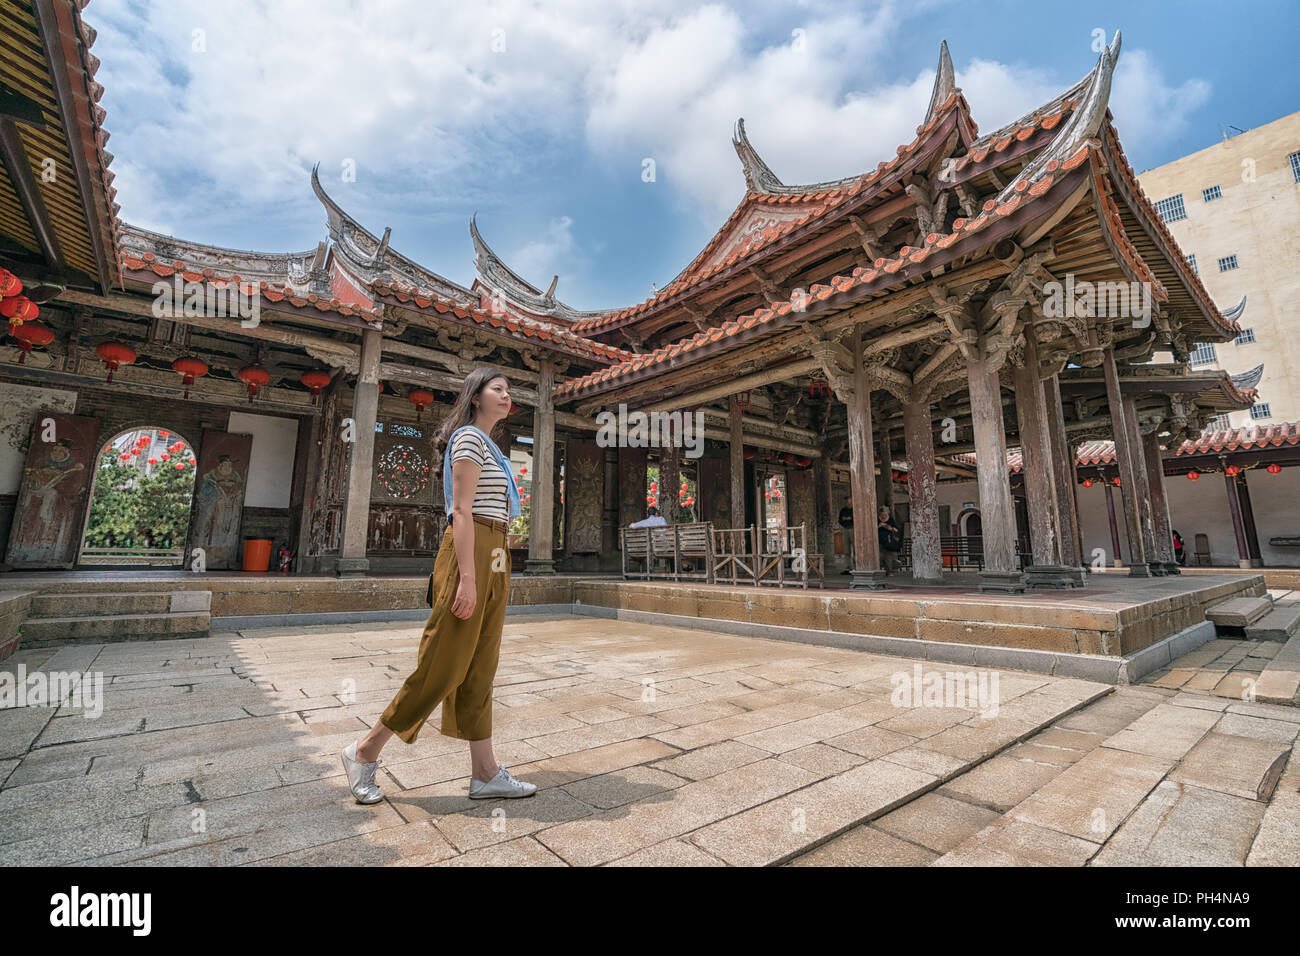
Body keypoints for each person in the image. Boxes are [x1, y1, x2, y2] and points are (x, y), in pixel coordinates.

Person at [341, 367, 537, 803]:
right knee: (443, 663)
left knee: (481, 665)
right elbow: (461, 512)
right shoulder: (468, 439)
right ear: (475, 396)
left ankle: (485, 773)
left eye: (509, 391)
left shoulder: (494, 448)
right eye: (498, 389)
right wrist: (468, 578)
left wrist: (495, 563)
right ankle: (364, 749)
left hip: (496, 551)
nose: (507, 396)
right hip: (471, 551)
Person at [878, 506, 902, 575]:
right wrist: (879, 526)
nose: (883, 516)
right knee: (880, 555)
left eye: (885, 514)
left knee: (888, 555)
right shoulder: (877, 520)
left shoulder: (891, 520)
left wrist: (887, 527)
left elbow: (896, 530)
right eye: (882, 514)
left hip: (888, 540)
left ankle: (889, 571)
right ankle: (880, 570)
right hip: (879, 540)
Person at [838, 495, 854, 573]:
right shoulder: (843, 510)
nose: (847, 502)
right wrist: (844, 520)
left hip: (853, 529)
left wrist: (850, 519)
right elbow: (840, 520)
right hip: (845, 529)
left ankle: (857, 566)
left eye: (849, 500)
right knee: (846, 549)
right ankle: (848, 567)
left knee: (855, 548)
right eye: (846, 501)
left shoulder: (855, 510)